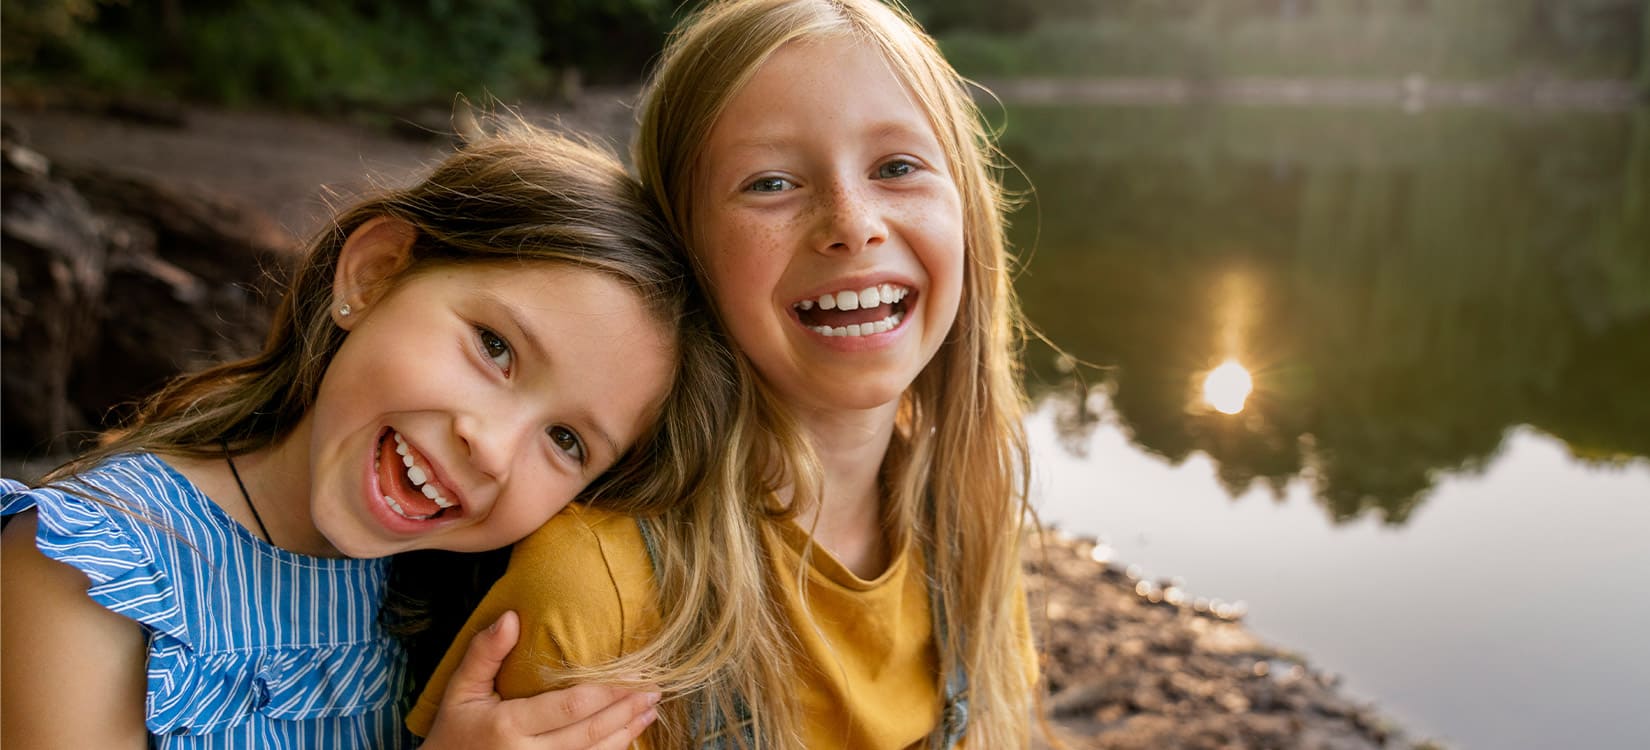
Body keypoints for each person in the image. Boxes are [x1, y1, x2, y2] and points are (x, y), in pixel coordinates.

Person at [407, 1, 1041, 747]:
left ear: (966, 207)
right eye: (770, 183)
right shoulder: (597, 590)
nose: (852, 222)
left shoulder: (968, 520)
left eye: (897, 168)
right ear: (685, 248)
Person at [1, 120, 735, 749]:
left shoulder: (461, 603)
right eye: (495, 348)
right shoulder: (87, 570)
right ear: (375, 274)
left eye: (567, 441)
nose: (492, 447)